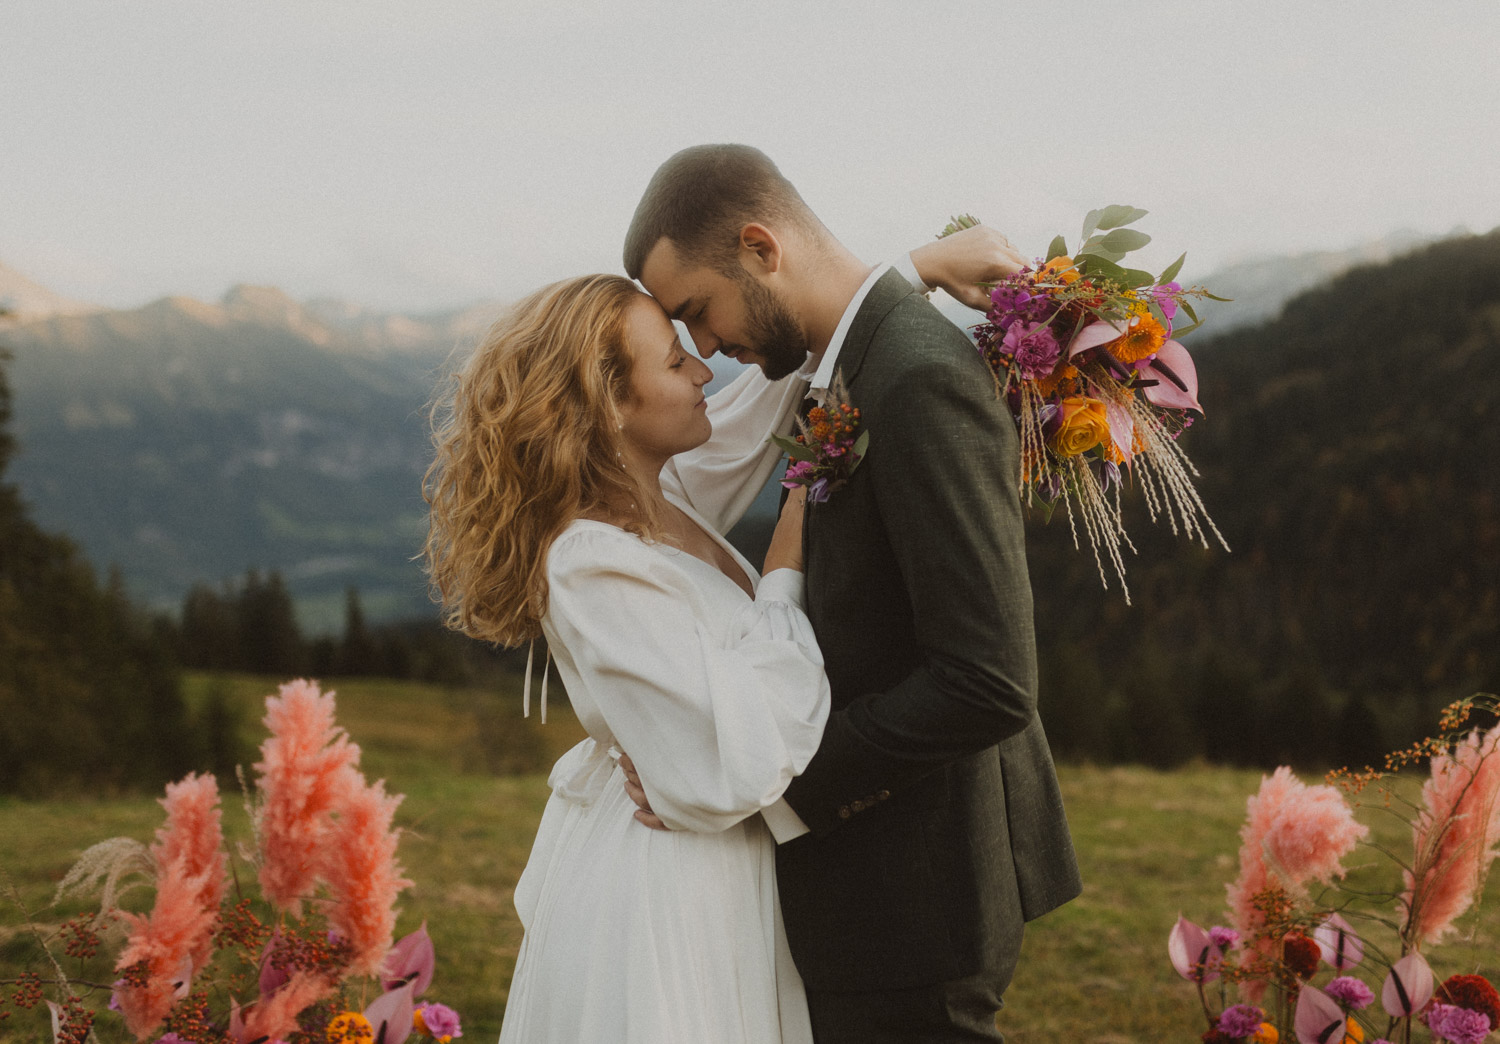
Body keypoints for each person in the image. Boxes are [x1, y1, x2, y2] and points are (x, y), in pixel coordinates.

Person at [422, 237, 993, 1043]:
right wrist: (786, 562)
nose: (703, 373)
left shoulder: (664, 493)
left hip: (722, 868)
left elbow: (778, 391)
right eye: (673, 361)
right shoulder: (589, 561)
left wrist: (913, 270)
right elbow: (734, 761)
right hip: (671, 891)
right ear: (608, 402)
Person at [621, 144, 1082, 1043]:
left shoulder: (914, 375)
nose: (706, 349)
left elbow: (987, 678)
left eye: (697, 313)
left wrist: (771, 785)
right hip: (882, 881)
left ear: (760, 247)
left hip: (918, 891)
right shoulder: (853, 362)